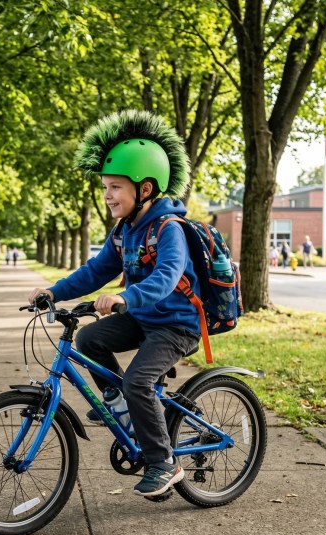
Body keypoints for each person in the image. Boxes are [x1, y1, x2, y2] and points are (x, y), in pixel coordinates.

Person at [26, 109, 198, 499]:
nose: (107, 196)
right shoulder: (124, 231)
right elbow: (96, 270)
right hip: (142, 317)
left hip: (176, 324)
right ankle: (120, 404)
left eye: (116, 187)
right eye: (105, 187)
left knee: (138, 381)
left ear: (146, 189)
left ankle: (164, 462)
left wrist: (124, 297)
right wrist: (53, 292)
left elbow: (167, 276)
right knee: (89, 340)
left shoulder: (169, 229)